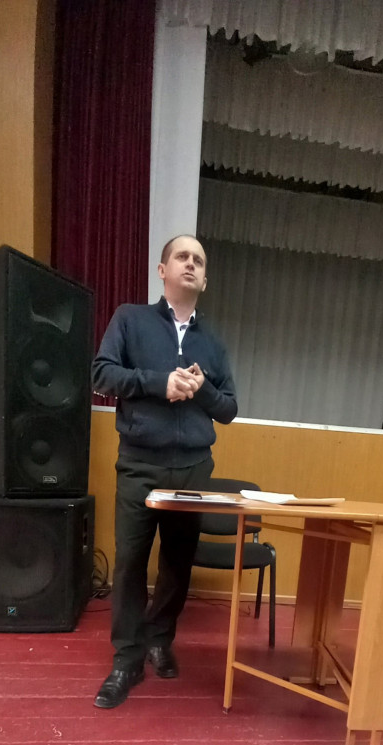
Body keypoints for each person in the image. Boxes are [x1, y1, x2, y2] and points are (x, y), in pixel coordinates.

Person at [92, 234, 238, 709]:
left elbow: (229, 409)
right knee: (131, 562)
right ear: (162, 270)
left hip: (193, 468)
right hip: (140, 463)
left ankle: (159, 639)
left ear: (205, 279)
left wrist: (201, 389)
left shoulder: (213, 342)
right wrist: (160, 383)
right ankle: (126, 658)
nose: (191, 264)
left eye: (199, 260)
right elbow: (101, 374)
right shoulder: (129, 319)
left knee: (178, 562)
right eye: (182, 256)